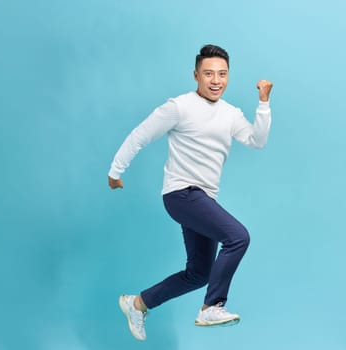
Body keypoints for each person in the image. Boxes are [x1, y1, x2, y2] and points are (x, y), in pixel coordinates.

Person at [108, 44, 273, 341]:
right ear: (196, 75)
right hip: (181, 193)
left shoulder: (230, 113)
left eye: (222, 74)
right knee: (238, 237)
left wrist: (263, 103)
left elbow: (256, 140)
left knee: (199, 273)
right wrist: (116, 171)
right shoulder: (179, 106)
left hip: (203, 199)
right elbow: (140, 135)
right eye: (208, 73)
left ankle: (138, 304)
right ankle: (212, 306)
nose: (215, 80)